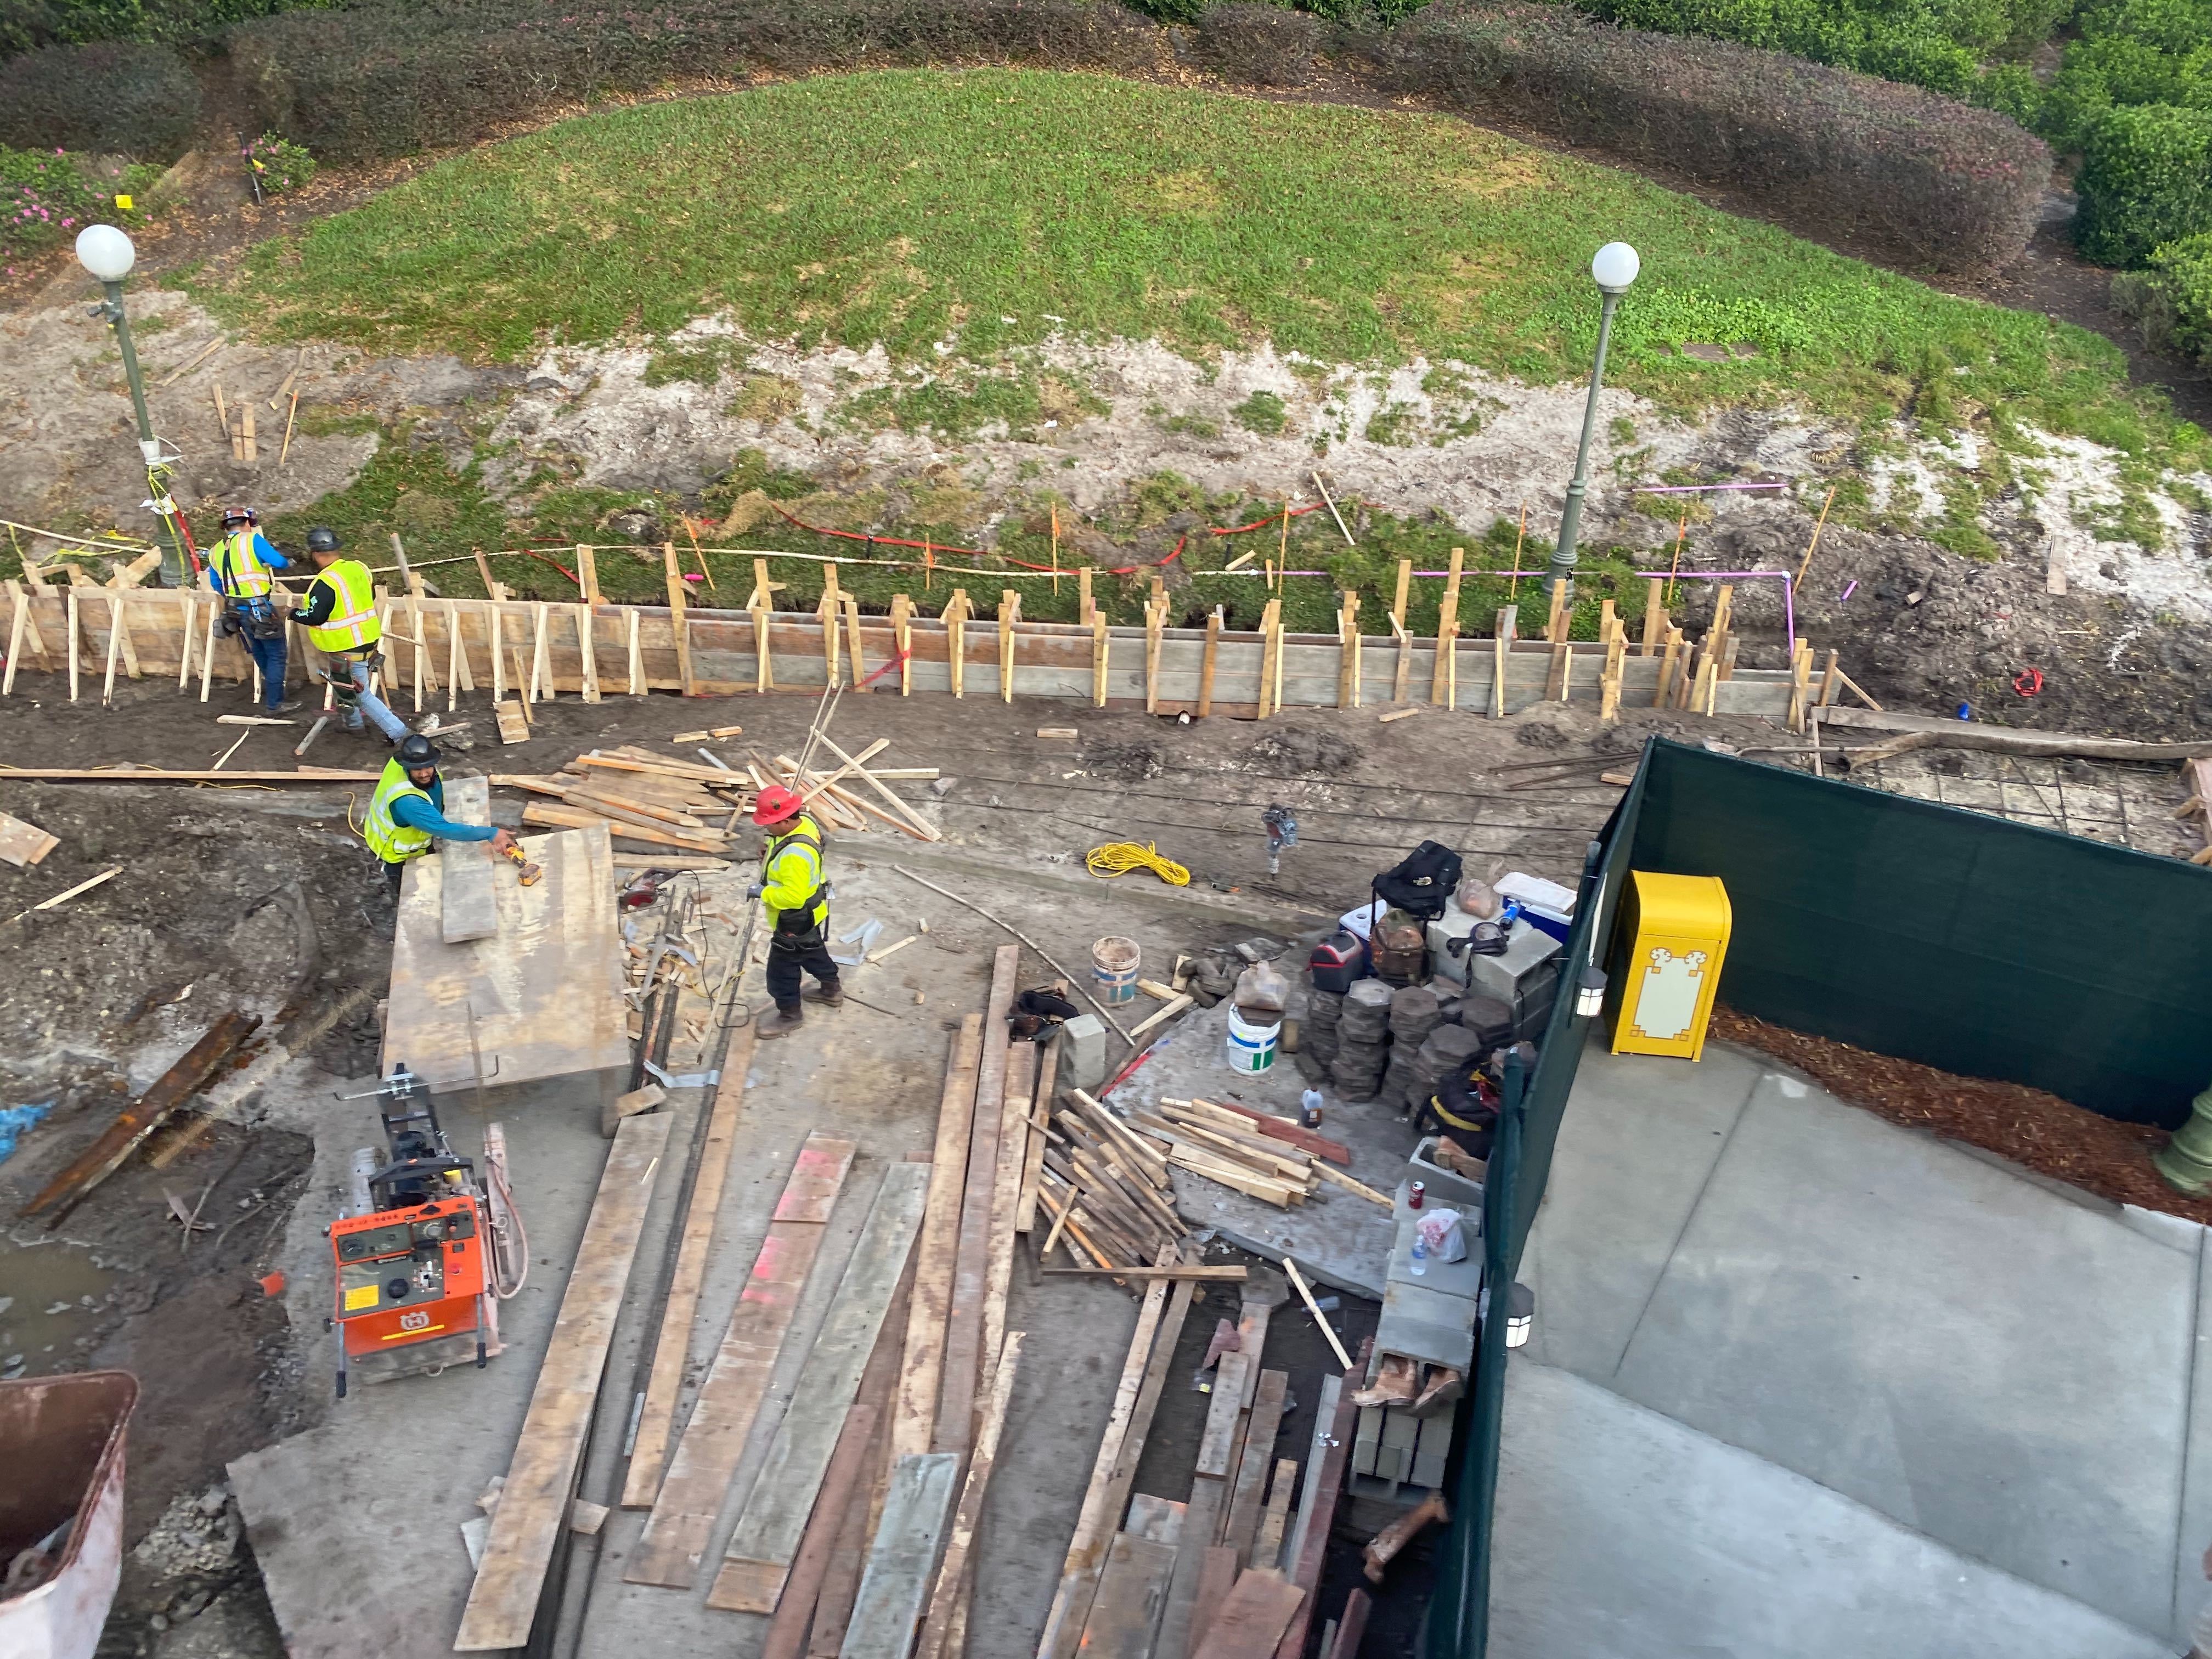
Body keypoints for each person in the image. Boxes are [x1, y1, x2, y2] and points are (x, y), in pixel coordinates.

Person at [363, 733, 519, 900]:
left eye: (428, 766)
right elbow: (443, 829)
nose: (424, 773)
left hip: (414, 838)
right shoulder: (408, 801)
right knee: (410, 893)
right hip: (397, 853)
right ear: (406, 766)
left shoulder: (399, 763)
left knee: (430, 868)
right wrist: (491, 834)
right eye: (417, 769)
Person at [294, 527, 408, 743]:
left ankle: (399, 733)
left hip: (348, 646)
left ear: (315, 554)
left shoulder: (325, 582)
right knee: (343, 684)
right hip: (366, 639)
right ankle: (353, 725)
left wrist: (294, 614)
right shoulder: (359, 569)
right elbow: (369, 595)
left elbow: (315, 616)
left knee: (360, 693)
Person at [748, 784, 841, 1037]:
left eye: (769, 824)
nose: (766, 828)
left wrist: (762, 893)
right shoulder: (805, 825)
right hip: (813, 912)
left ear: (786, 821)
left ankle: (790, 1015)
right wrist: (771, 847)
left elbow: (793, 897)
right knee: (811, 951)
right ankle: (831, 990)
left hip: (794, 917)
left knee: (781, 971)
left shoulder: (795, 856)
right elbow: (781, 840)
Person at [209, 506, 300, 714]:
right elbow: (279, 562)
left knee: (259, 650)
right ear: (248, 523)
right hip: (259, 608)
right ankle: (275, 704)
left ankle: (275, 692)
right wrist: (287, 561)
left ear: (225, 528)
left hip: (235, 609)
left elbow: (216, 583)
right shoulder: (252, 541)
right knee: (276, 654)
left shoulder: (215, 550)